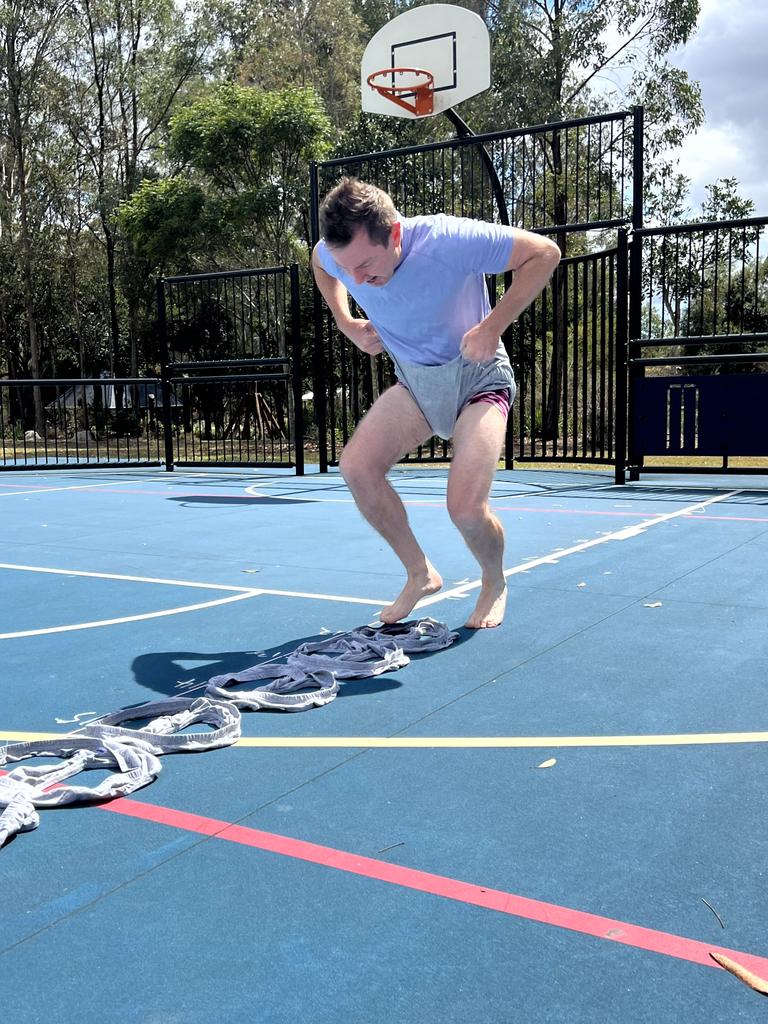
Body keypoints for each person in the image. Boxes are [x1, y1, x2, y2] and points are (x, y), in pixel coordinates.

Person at [312, 177, 560, 629]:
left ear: (395, 234)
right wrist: (347, 322)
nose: (360, 278)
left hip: (478, 378)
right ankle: (420, 573)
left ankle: (494, 580)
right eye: (350, 270)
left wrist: (493, 326)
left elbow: (544, 253)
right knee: (356, 467)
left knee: (465, 508)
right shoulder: (337, 255)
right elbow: (320, 264)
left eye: (367, 265)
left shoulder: (447, 239)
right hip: (417, 385)